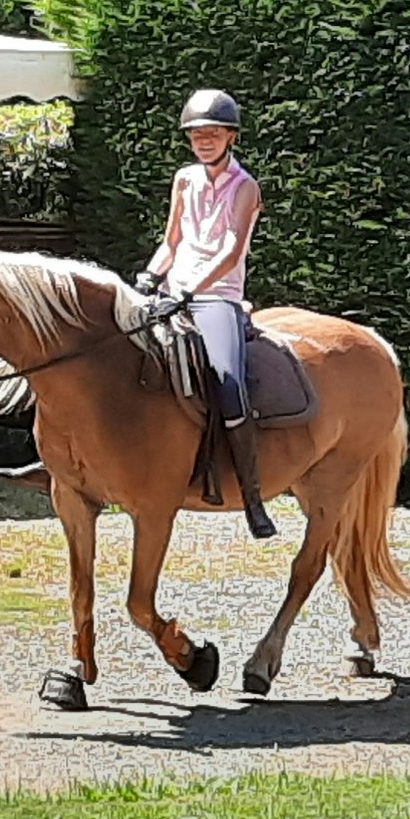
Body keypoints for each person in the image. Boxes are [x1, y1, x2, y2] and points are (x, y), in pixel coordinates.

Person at [136, 87, 279, 539]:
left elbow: (231, 249)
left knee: (229, 384)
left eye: (213, 133)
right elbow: (172, 240)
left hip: (216, 297)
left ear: (231, 137)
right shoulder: (184, 179)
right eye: (197, 134)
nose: (204, 140)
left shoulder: (245, 187)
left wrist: (193, 289)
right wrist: (150, 276)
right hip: (173, 290)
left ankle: (253, 497)